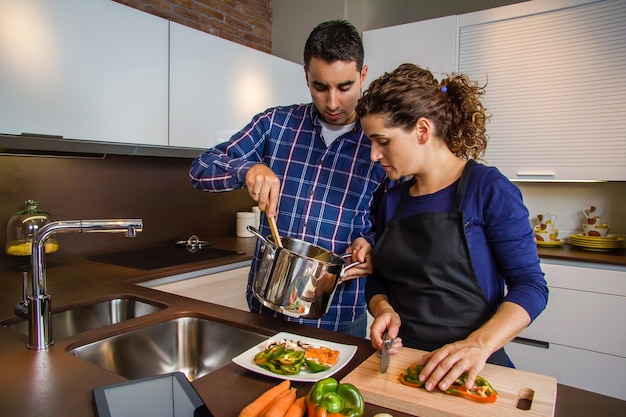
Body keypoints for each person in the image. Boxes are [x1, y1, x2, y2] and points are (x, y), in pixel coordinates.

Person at [356, 64, 548, 391]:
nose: (374, 155)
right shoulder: (391, 199)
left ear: (422, 130)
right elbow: (378, 278)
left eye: (383, 141)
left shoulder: (489, 189)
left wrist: (479, 344)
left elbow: (531, 286)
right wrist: (383, 308)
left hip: (472, 368)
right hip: (403, 365)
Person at [189, 20, 387, 337]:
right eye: (320, 87)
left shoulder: (379, 141)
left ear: (363, 76)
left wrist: (375, 244)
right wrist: (247, 170)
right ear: (307, 76)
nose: (333, 102)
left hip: (338, 317)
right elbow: (200, 169)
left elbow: (397, 222)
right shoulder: (275, 124)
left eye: (345, 87)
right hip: (266, 312)